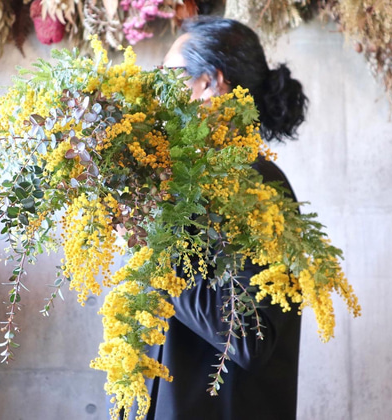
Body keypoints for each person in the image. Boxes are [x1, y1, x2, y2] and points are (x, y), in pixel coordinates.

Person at [130, 17, 308, 420]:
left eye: (169, 76)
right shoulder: (187, 182)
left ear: (210, 82)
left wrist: (158, 246)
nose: (156, 92)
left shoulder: (256, 187)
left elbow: (248, 339)